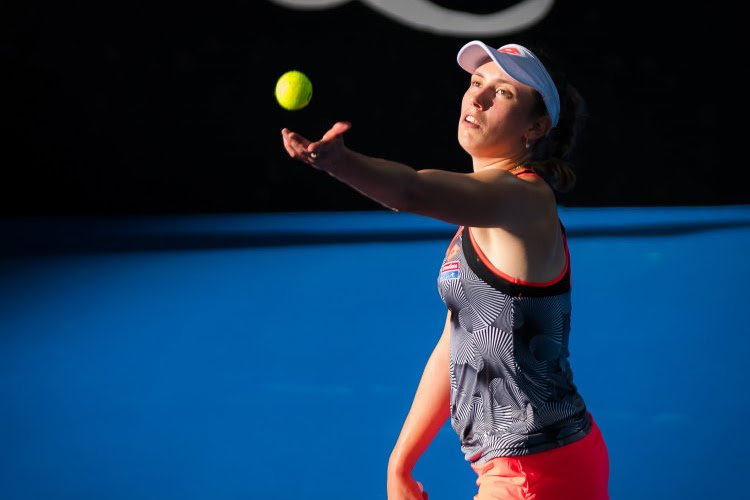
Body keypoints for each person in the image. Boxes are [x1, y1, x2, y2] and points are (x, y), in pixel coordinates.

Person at [281, 40, 609, 500]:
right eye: (477, 83)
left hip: (537, 473)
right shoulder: (481, 216)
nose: (478, 97)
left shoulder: (524, 199)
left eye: (504, 93)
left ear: (535, 127)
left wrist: (341, 163)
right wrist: (401, 462)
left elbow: (412, 191)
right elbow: (458, 342)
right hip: (528, 466)